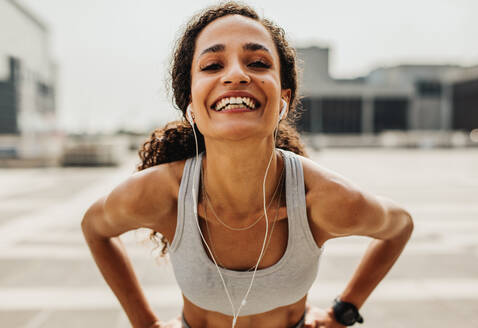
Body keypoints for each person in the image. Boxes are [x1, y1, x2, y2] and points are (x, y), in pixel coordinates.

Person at [81, 2, 414, 328]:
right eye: (212, 65)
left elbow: (400, 226)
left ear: (283, 100)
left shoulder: (323, 199)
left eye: (257, 62)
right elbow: (94, 229)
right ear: (192, 107)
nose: (237, 74)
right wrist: (144, 322)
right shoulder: (163, 194)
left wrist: (344, 311)